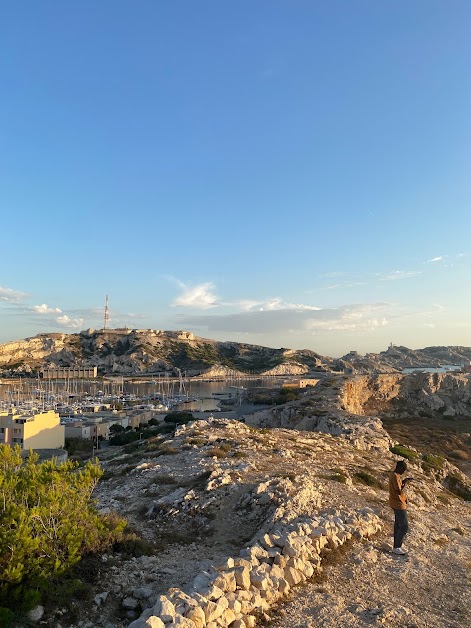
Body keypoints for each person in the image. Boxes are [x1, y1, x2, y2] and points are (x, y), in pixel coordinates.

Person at [388, 460, 412, 555]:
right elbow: (398, 491)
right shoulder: (394, 476)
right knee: (404, 526)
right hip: (398, 503)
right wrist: (405, 483)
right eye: (404, 470)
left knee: (398, 524)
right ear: (400, 468)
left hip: (395, 502)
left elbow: (397, 487)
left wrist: (403, 481)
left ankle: (396, 546)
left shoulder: (394, 475)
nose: (403, 472)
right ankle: (397, 546)